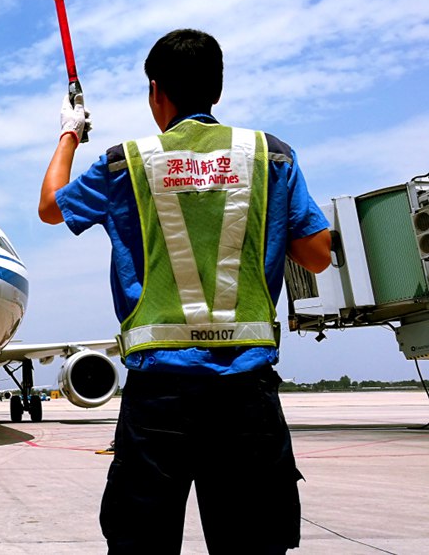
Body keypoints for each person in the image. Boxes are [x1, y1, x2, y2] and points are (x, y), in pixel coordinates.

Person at [39, 29, 331, 554]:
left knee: (141, 545)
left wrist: (69, 133)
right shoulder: (272, 156)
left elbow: (51, 206)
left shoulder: (124, 161)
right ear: (217, 91)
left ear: (156, 92)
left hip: (159, 401)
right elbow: (317, 255)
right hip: (246, 397)